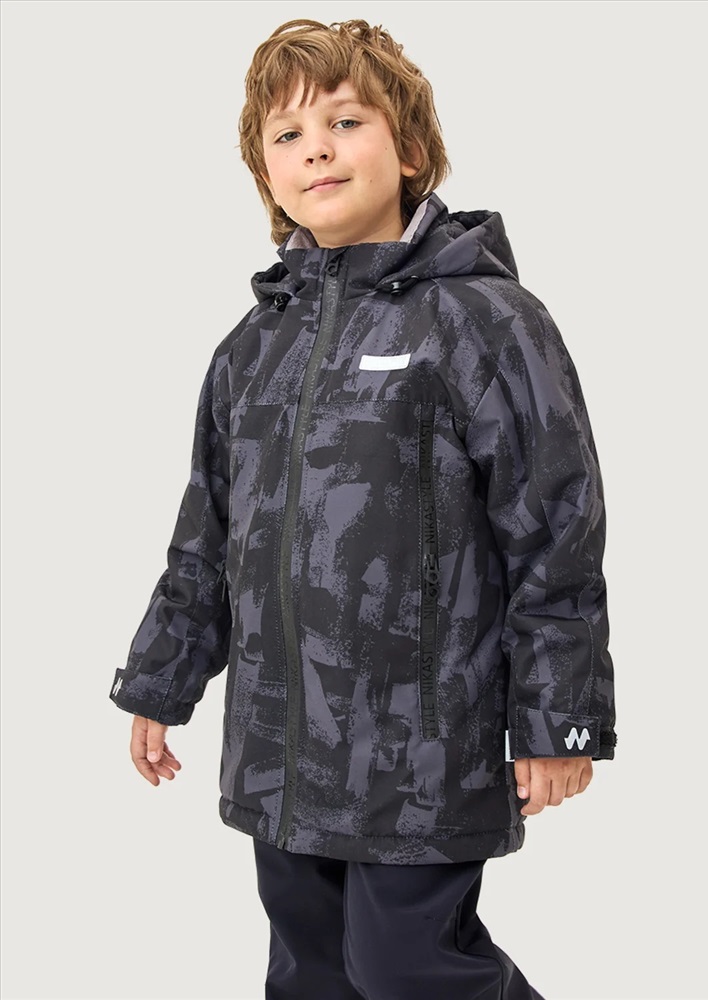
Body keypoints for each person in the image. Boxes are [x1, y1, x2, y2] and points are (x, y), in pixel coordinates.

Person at [109, 18, 616, 1000]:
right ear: (268, 175)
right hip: (280, 744)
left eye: (345, 121)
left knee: (407, 968)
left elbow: (556, 530)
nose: (318, 149)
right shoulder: (252, 348)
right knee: (309, 971)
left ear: (409, 150)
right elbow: (208, 534)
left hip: (423, 747)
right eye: (288, 135)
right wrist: (160, 679)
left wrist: (559, 718)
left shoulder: (485, 322)